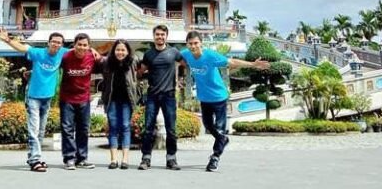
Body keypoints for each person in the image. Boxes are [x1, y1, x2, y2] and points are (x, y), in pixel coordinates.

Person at [181, 30, 270, 172]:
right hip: (204, 98)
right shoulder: (186, 54)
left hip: (219, 97)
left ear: (201, 43)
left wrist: (253, 64)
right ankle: (223, 139)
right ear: (187, 45)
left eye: (196, 43)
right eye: (190, 44)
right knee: (208, 126)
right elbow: (174, 57)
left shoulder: (210, 56)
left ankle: (215, 157)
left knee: (219, 128)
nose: (193, 46)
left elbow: (232, 62)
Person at [0, 29, 67, 173]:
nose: (56, 44)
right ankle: (35, 160)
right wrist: (7, 39)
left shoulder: (63, 52)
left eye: (59, 43)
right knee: (34, 130)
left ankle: (34, 158)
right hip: (33, 96)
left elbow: (80, 50)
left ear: (61, 45)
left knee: (40, 131)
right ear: (48, 43)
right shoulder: (38, 53)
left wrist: (93, 51)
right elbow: (22, 47)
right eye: (53, 42)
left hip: (47, 97)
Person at [138, 24, 183, 171]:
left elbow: (187, 63)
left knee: (171, 129)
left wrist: (181, 79)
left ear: (166, 36)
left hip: (169, 95)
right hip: (152, 95)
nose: (160, 37)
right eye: (157, 34)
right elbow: (140, 71)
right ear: (154, 36)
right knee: (148, 128)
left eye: (162, 34)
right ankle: (146, 158)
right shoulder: (149, 54)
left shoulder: (174, 52)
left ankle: (171, 159)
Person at [58, 32, 100, 170]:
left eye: (85, 45)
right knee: (67, 129)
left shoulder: (92, 57)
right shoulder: (66, 57)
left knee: (83, 129)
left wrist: (95, 52)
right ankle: (69, 158)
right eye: (79, 45)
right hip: (67, 98)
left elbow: (108, 58)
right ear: (74, 45)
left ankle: (82, 158)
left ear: (89, 46)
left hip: (84, 98)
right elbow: (52, 62)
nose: (82, 48)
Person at [100, 38, 138, 169]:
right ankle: (113, 159)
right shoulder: (107, 63)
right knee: (113, 127)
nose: (120, 52)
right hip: (112, 100)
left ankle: (125, 159)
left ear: (127, 51)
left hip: (127, 100)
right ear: (113, 50)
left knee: (126, 126)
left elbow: (142, 71)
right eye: (118, 49)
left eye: (123, 50)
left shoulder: (133, 62)